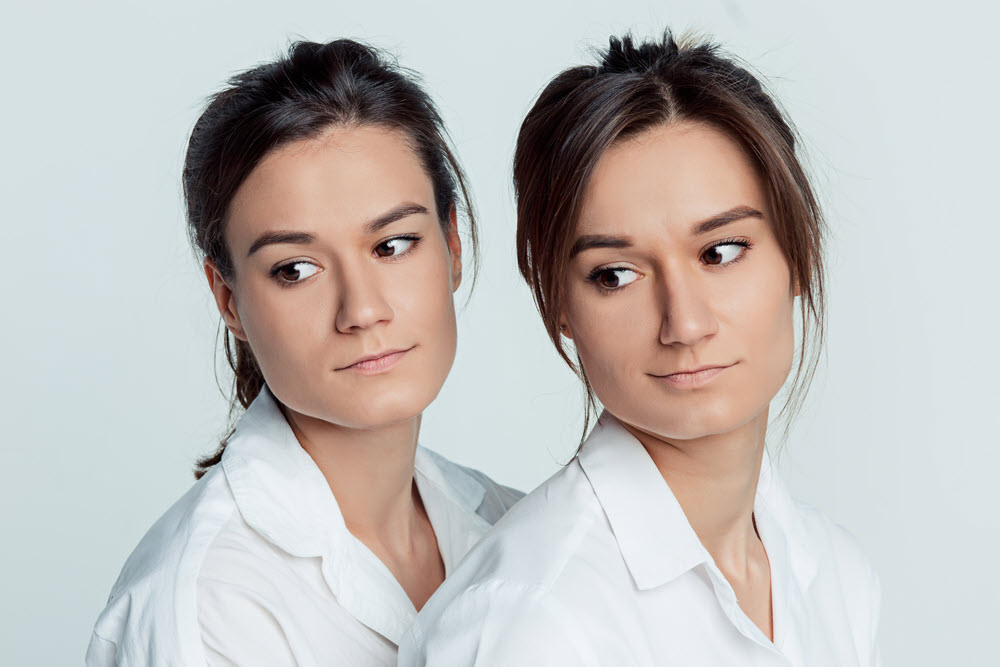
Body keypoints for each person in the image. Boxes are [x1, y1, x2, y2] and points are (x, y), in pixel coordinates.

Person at [400, 31, 881, 666]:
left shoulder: (836, 578)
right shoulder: (533, 620)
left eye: (721, 252)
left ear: (795, 252)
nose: (684, 323)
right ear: (561, 305)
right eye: (616, 275)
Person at [86, 39, 521, 666]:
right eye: (295, 269)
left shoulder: (511, 523)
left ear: (452, 245)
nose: (362, 310)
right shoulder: (207, 604)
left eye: (394, 245)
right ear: (228, 298)